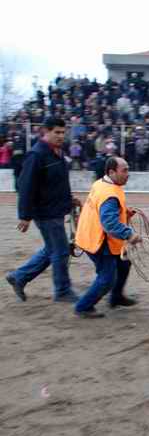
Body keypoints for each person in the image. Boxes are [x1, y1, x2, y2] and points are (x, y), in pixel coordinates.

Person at [6, 118, 81, 302]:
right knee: (61, 250)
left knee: (51, 250)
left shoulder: (57, 153)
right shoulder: (36, 155)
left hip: (56, 209)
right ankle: (62, 291)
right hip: (45, 212)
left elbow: (58, 182)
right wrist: (24, 216)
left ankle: (19, 277)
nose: (61, 136)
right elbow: (26, 186)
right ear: (44, 132)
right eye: (57, 132)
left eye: (63, 132)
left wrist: (69, 200)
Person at [73, 157, 142, 318]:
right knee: (107, 278)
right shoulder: (110, 194)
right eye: (124, 170)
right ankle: (83, 307)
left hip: (91, 234)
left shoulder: (101, 184)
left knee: (124, 263)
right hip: (98, 240)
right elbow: (110, 224)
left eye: (128, 169)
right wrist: (129, 234)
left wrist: (124, 214)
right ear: (111, 172)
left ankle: (116, 297)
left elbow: (105, 213)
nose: (128, 174)